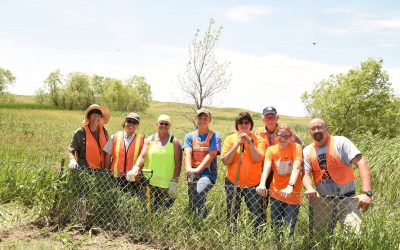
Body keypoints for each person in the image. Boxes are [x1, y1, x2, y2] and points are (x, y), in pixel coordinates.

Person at [302, 118, 373, 239]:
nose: (316, 130)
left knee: (354, 237)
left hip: (348, 199)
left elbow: (362, 163)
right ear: (310, 132)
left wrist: (367, 193)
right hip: (323, 200)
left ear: (326, 129)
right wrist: (309, 187)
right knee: (320, 239)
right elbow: (306, 174)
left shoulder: (341, 142)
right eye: (313, 129)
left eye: (320, 127)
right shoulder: (307, 150)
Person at [221, 112, 266, 234]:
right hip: (233, 183)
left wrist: (249, 142)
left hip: (253, 184)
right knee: (232, 212)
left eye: (246, 122)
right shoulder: (230, 139)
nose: (243, 125)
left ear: (251, 125)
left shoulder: (260, 140)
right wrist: (237, 144)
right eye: (240, 123)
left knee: (256, 213)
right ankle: (231, 235)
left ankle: (257, 238)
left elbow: (258, 159)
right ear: (237, 125)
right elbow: (225, 161)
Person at [256, 124, 303, 236]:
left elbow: (296, 167)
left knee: (288, 229)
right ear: (276, 136)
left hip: (292, 195)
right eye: (280, 136)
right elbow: (267, 168)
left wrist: (290, 186)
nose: (282, 138)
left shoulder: (296, 147)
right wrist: (262, 184)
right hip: (276, 194)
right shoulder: (271, 150)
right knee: (276, 228)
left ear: (290, 136)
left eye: (286, 136)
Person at [254, 106, 304, 210]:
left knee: (280, 199)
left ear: (277, 118)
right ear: (263, 119)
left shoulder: (285, 131)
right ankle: (263, 222)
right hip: (265, 170)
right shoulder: (258, 132)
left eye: (273, 116)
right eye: (267, 117)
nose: (270, 119)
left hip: (282, 170)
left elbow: (301, 146)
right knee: (262, 201)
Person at [132, 114, 182, 210]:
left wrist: (174, 182)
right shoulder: (149, 140)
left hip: (165, 183)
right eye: (161, 123)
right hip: (147, 181)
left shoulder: (174, 142)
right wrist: (136, 167)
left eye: (166, 124)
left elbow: (178, 164)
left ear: (169, 125)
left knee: (161, 210)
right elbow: (142, 156)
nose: (163, 126)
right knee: (145, 208)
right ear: (157, 124)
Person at [183, 108, 221, 218]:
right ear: (196, 119)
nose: (202, 120)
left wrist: (197, 170)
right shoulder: (189, 136)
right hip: (192, 171)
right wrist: (189, 169)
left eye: (205, 118)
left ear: (210, 120)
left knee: (199, 191)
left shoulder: (215, 136)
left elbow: (211, 154)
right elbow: (187, 153)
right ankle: (193, 221)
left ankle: (202, 220)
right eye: (200, 117)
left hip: (208, 173)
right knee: (192, 198)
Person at [103, 112, 145, 195]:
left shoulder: (143, 139)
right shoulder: (114, 136)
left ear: (137, 125)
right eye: (129, 121)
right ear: (125, 122)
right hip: (115, 178)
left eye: (135, 122)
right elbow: (107, 156)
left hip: (133, 179)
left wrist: (139, 172)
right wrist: (107, 172)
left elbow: (144, 158)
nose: (131, 124)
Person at [68, 104, 110, 171]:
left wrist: (107, 170)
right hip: (84, 172)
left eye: (98, 115)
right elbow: (71, 150)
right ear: (88, 116)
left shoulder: (104, 131)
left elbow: (108, 151)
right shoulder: (80, 132)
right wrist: (72, 160)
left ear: (101, 117)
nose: (96, 117)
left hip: (101, 172)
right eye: (93, 114)